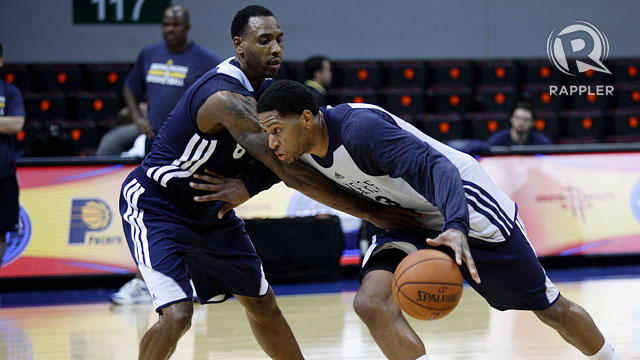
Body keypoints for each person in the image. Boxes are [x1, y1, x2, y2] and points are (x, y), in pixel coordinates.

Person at [119, 6, 422, 359]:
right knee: (177, 315)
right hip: (158, 207)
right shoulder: (225, 97)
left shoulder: (269, 94)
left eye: (279, 40)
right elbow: (290, 172)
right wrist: (372, 213)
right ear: (239, 45)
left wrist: (248, 186)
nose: (276, 48)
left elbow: (284, 155)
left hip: (210, 213)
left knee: (263, 304)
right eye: (264, 40)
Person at [249, 79, 621, 360]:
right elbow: (276, 174)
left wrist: (456, 226)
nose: (273, 142)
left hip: (465, 203)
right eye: (268, 134)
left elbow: (437, 165)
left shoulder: (362, 131)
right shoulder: (297, 150)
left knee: (550, 308)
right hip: (407, 216)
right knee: (371, 303)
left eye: (276, 131)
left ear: (308, 119)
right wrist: (242, 188)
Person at [110, 4, 223, 304]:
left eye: (175, 25)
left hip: (188, 151)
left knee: (190, 213)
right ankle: (142, 281)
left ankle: (195, 280)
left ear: (187, 26)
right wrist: (136, 116)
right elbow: (130, 87)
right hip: (155, 148)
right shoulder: (150, 54)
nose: (169, 29)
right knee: (150, 215)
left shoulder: (206, 60)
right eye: (165, 25)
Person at [0, 41, 25, 269]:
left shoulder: (9, 91)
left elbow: (16, 123)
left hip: (3, 172)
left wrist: (6, 124)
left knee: (0, 232)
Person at [487, 99, 553, 146]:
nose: (521, 123)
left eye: (525, 120)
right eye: (517, 118)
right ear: (511, 119)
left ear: (533, 123)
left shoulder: (542, 142)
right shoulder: (496, 140)